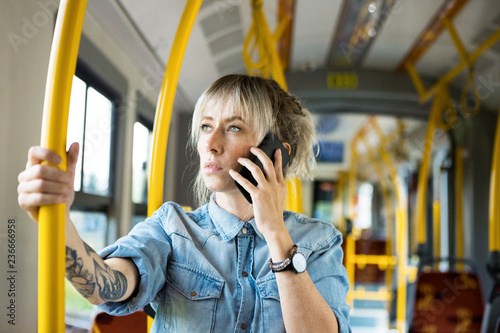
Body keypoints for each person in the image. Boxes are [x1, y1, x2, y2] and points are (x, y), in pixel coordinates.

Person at [18, 74, 351, 332]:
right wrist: (59, 218)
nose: (210, 143)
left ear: (276, 152)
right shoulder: (172, 228)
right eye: (206, 126)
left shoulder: (317, 243)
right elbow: (104, 287)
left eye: (233, 127)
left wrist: (277, 236)